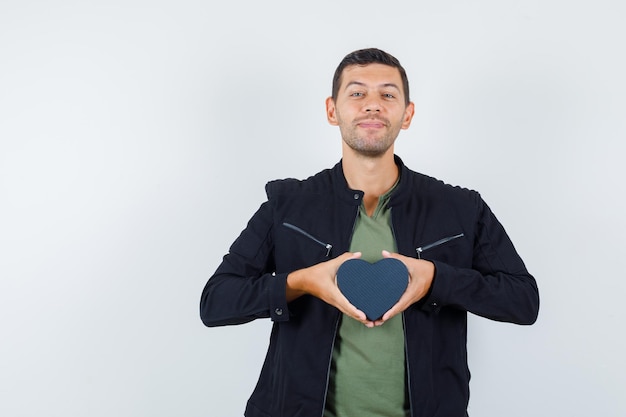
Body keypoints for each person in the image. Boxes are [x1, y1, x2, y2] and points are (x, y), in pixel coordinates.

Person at [200, 47, 539, 417]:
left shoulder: (459, 208)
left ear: (407, 114)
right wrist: (301, 282)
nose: (373, 105)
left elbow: (523, 301)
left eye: (388, 95)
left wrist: (437, 279)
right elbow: (216, 302)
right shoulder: (288, 204)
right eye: (357, 93)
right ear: (333, 110)